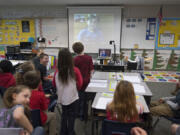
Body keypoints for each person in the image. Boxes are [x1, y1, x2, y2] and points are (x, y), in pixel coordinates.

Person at [53, 48, 83, 135]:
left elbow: (54, 85)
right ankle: (70, 132)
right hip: (73, 98)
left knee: (64, 115)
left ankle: (63, 131)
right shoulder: (75, 70)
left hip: (62, 98)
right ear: (70, 58)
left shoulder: (57, 71)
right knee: (72, 116)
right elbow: (80, 84)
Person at [23, 70, 56, 135]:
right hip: (38, 119)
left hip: (26, 119)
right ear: (40, 83)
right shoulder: (40, 95)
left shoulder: (22, 93)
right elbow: (45, 109)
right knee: (53, 115)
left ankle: (45, 128)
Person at [72, 42, 94, 120]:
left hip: (79, 82)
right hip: (87, 81)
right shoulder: (89, 58)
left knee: (79, 98)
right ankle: (85, 115)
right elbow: (91, 70)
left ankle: (80, 115)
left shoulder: (74, 59)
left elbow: (73, 72)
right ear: (83, 48)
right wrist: (91, 79)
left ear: (74, 51)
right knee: (86, 99)